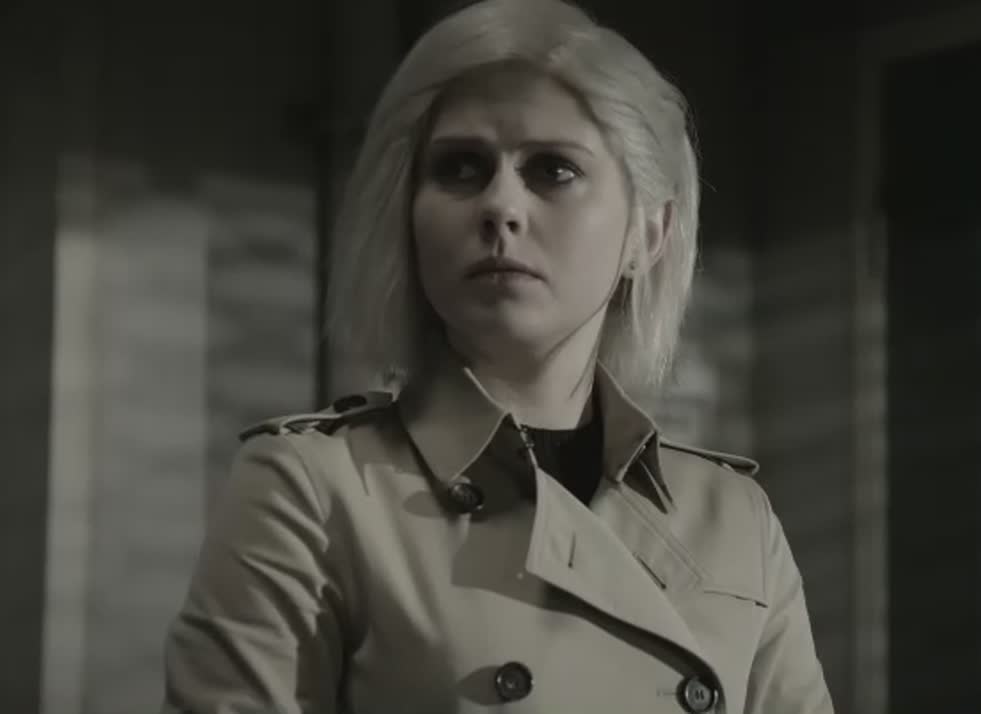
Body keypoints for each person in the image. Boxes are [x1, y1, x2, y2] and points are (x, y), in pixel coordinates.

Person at [162, 0, 834, 712]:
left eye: (553, 170)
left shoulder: (734, 519)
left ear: (649, 234)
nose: (500, 206)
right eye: (460, 168)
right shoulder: (312, 493)